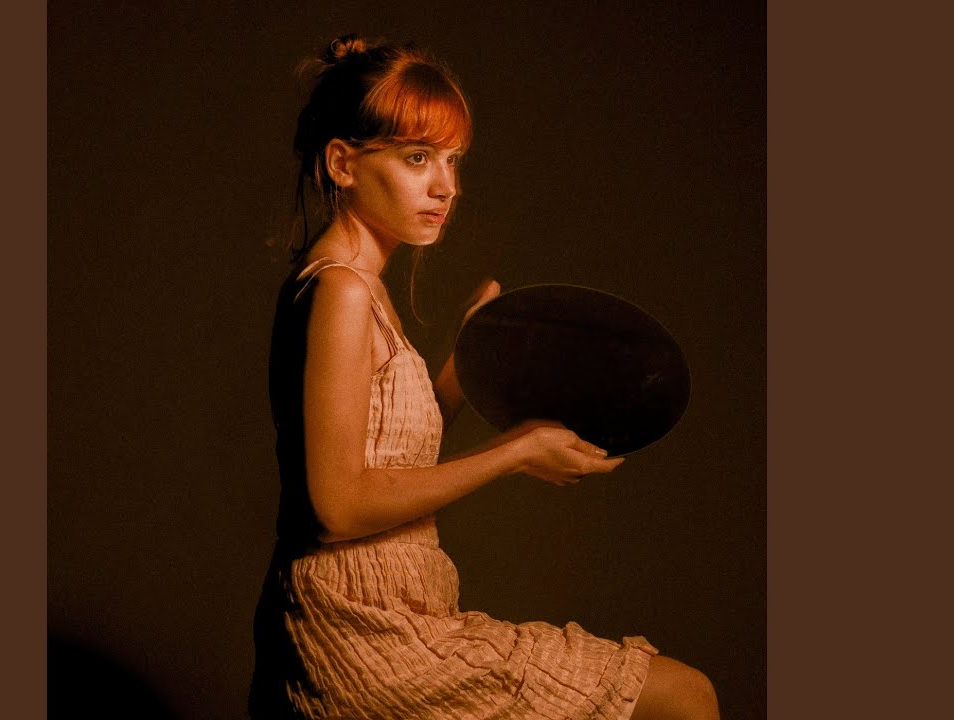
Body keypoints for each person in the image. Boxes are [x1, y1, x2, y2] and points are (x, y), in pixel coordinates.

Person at [251, 34, 720, 720]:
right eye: (418, 158)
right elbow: (339, 507)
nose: (447, 187)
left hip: (399, 609)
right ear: (342, 163)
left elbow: (387, 461)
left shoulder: (358, 287)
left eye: (452, 160)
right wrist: (516, 451)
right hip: (360, 630)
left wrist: (460, 367)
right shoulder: (342, 290)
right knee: (684, 696)